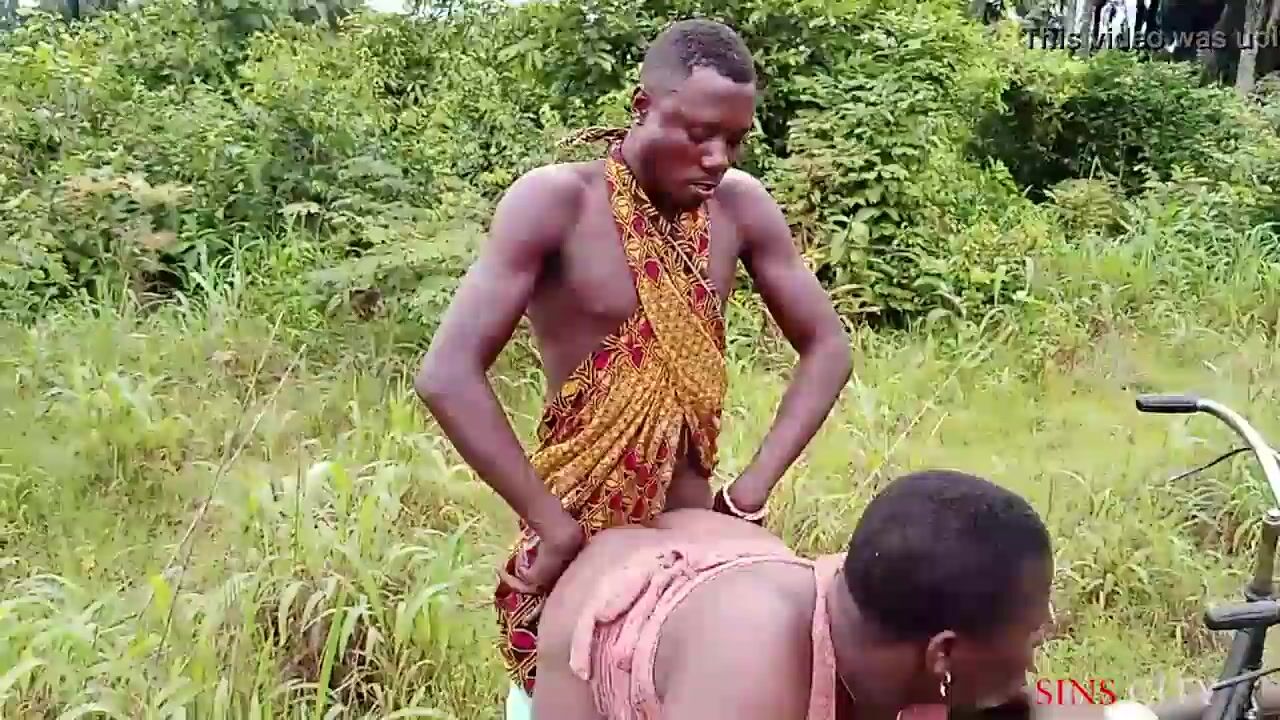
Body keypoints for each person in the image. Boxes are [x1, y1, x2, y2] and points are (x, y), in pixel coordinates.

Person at [413, 16, 853, 699]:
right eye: (698, 133)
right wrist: (552, 526)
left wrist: (749, 492)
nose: (717, 159)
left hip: (692, 540)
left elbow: (828, 346)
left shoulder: (739, 209)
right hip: (577, 537)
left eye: (735, 140)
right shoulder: (557, 202)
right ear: (643, 106)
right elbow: (446, 374)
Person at [529, 469, 1059, 719]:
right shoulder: (750, 689)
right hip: (592, 637)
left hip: (722, 559)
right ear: (944, 653)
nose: (1049, 631)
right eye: (1033, 629)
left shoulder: (888, 638)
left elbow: (1038, 709)